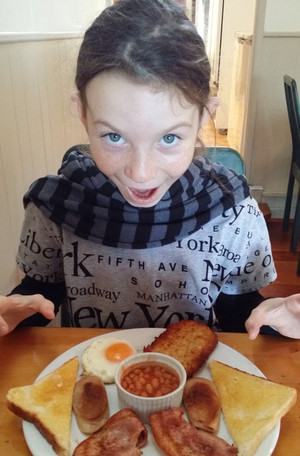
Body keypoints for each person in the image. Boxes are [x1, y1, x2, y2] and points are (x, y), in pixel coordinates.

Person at [0, 0, 299, 340]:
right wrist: (15, 314)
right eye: (114, 136)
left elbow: (237, 311)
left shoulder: (235, 215)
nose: (140, 173)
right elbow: (40, 298)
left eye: (169, 137)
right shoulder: (55, 207)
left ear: (204, 116)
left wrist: (272, 320)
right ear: (82, 112)